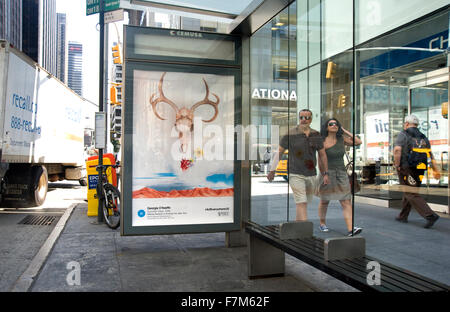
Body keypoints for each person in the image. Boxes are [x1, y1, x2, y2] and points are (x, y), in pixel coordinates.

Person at [267, 109, 329, 221]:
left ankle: (297, 227)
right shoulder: (290, 134)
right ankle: (305, 230)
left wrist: (325, 173)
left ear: (311, 119)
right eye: (301, 117)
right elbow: (279, 152)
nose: (304, 120)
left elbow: (322, 155)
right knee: (301, 202)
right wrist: (272, 170)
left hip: (311, 174)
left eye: (306, 117)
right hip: (295, 173)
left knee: (304, 203)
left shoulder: (316, 134)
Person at [317, 118, 363, 236]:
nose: (334, 125)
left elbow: (358, 142)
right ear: (326, 127)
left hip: (341, 173)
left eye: (336, 124)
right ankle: (322, 223)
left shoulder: (341, 139)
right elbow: (320, 161)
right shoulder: (322, 141)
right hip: (328, 173)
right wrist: (324, 175)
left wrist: (345, 131)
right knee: (324, 201)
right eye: (331, 124)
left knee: (346, 200)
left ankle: (350, 228)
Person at [393, 114, 441, 229]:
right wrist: (435, 168)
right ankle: (403, 216)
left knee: (411, 192)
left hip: (407, 168)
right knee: (410, 190)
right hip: (420, 168)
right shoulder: (424, 137)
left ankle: (430, 215)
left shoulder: (403, 134)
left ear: (406, 124)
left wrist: (397, 164)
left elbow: (397, 150)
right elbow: (430, 153)